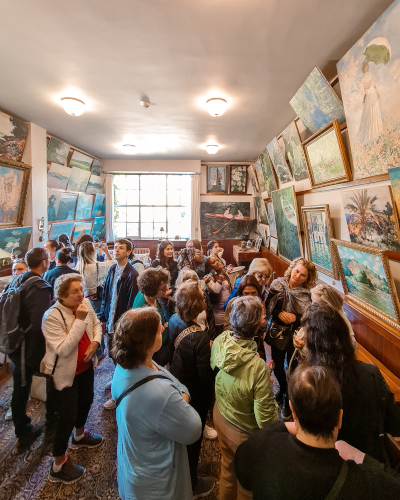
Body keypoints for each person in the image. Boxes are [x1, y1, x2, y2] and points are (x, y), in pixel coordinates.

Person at [235, 365, 400, 500]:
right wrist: (360, 457)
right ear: (339, 418)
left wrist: (280, 427)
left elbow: (242, 471)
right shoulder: (364, 482)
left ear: (293, 411)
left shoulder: (264, 445)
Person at [111, 308, 202, 500]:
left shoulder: (126, 365)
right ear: (146, 341)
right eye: (157, 327)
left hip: (135, 463)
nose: (162, 328)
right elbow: (193, 429)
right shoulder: (159, 394)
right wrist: (182, 396)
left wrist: (180, 393)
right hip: (155, 482)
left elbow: (166, 378)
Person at [303, 303, 400, 463]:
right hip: (369, 461)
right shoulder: (371, 372)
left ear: (311, 343)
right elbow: (394, 423)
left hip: (327, 463)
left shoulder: (307, 381)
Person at [211, 296, 278, 500]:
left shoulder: (222, 341)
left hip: (220, 414)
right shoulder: (256, 366)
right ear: (258, 324)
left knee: (227, 470)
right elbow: (265, 420)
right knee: (246, 487)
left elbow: (214, 365)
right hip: (242, 431)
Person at [42, 274, 103, 483]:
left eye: (81, 289)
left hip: (85, 367)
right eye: (75, 291)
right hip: (65, 374)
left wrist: (95, 343)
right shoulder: (52, 316)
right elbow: (64, 349)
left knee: (86, 401)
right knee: (65, 417)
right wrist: (78, 321)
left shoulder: (84, 302)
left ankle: (79, 436)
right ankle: (58, 465)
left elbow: (96, 325)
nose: (81, 294)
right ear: (62, 296)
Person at [0, 247, 52, 449]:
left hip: (14, 341)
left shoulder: (17, 279)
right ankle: (23, 433)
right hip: (27, 346)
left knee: (21, 385)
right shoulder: (39, 286)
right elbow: (41, 323)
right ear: (44, 262)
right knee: (21, 389)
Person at [169, 282, 216, 497]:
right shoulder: (200, 337)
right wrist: (211, 403)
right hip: (194, 393)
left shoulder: (174, 320)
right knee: (194, 441)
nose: (206, 301)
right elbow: (205, 376)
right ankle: (192, 484)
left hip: (179, 383)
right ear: (197, 305)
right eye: (202, 298)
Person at [265, 257, 316, 420]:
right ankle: (284, 389)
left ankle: (288, 397)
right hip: (277, 332)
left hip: (296, 334)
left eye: (303, 275)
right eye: (297, 271)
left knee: (293, 367)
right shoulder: (277, 285)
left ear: (307, 278)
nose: (298, 276)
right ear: (292, 268)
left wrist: (295, 317)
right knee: (278, 366)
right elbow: (268, 306)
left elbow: (308, 315)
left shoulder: (307, 293)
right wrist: (278, 313)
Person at [99, 239, 139, 410]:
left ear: (128, 252)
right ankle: (117, 378)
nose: (116, 250)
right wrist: (102, 317)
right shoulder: (112, 269)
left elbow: (130, 305)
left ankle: (119, 395)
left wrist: (125, 326)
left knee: (122, 357)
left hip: (121, 323)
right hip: (110, 319)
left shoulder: (132, 275)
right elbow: (106, 296)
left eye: (121, 248)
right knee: (114, 355)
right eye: (115, 247)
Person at [293, 283, 356, 356]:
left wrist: (305, 346)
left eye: (316, 304)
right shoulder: (320, 315)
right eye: (312, 301)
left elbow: (325, 353)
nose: (312, 306)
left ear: (329, 306)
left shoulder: (337, 323)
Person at [132, 267, 173, 367]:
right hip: (153, 355)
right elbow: (151, 342)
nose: (167, 290)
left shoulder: (147, 295)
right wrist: (166, 329)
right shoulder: (144, 311)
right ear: (152, 289)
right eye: (163, 288)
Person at [174, 269, 216, 340]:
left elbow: (210, 317)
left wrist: (211, 338)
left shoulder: (203, 295)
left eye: (196, 282)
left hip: (206, 335)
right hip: (191, 339)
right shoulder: (176, 300)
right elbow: (179, 325)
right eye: (192, 283)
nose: (196, 286)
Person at [75, 240, 114, 313]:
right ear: (92, 252)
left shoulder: (78, 267)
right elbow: (112, 264)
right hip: (96, 299)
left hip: (83, 298)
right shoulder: (98, 266)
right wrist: (106, 251)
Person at [205, 256, 232, 338]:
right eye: (213, 262)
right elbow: (216, 290)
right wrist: (221, 273)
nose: (217, 262)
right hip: (217, 313)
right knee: (219, 335)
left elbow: (229, 288)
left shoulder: (224, 274)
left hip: (227, 310)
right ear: (209, 267)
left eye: (217, 260)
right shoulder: (209, 277)